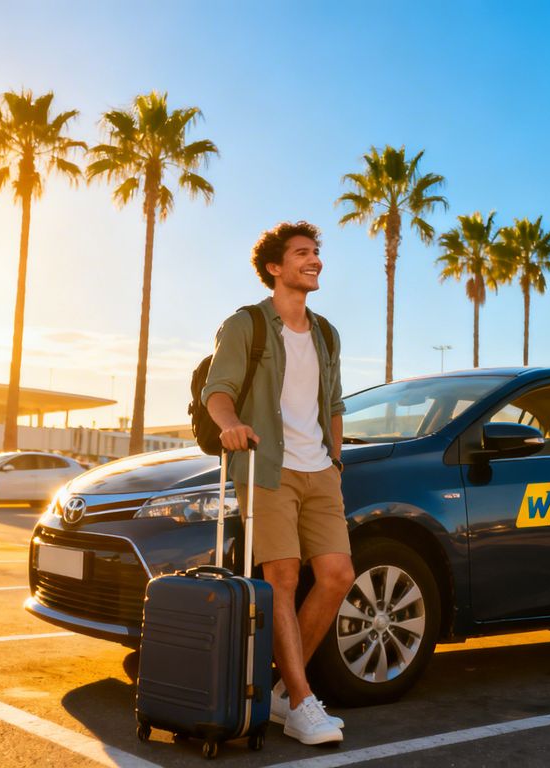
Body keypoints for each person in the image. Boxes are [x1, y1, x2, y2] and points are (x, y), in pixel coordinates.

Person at [201, 220, 355, 746]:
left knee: (337, 575)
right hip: (268, 468)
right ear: (274, 267)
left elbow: (333, 404)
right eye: (302, 253)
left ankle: (287, 693)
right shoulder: (247, 325)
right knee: (283, 578)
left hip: (319, 471)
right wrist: (231, 426)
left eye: (316, 252)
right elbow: (216, 392)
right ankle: (304, 700)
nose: (314, 260)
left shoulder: (326, 332)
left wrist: (334, 458)